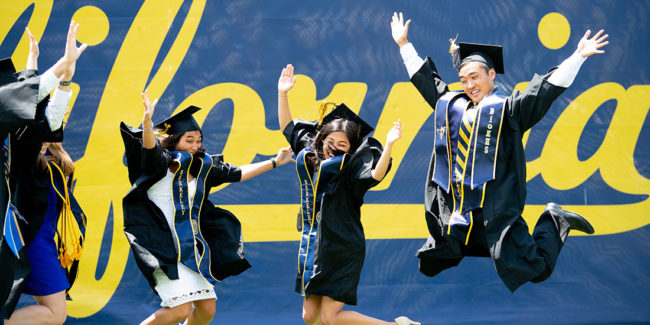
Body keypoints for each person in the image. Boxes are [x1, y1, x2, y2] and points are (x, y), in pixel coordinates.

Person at [390, 12, 607, 291]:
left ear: (491, 75)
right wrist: (404, 45)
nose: (469, 85)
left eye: (475, 77)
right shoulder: (450, 106)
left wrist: (578, 56)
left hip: (495, 212)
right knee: (430, 264)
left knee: (537, 269)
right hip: (458, 214)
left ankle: (554, 219)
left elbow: (545, 90)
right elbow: (426, 81)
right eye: (463, 79)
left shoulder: (509, 110)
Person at [120, 90, 293, 325]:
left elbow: (238, 173)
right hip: (161, 247)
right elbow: (150, 149)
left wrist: (275, 161)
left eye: (198, 140)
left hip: (191, 248)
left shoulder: (202, 167)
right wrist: (148, 123)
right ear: (174, 141)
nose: (194, 145)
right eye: (188, 140)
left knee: (207, 310)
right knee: (179, 310)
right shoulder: (159, 164)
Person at [278, 64, 419, 325]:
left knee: (330, 318)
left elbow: (376, 174)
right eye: (331, 141)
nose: (334, 148)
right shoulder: (311, 155)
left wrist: (388, 144)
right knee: (310, 316)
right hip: (314, 247)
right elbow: (288, 127)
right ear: (321, 138)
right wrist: (283, 94)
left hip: (342, 248)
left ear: (351, 149)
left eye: (342, 145)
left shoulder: (352, 169)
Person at [1, 21, 87, 320]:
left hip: (47, 238)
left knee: (54, 314)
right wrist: (63, 66)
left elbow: (44, 113)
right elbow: (32, 105)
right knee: (55, 314)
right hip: (29, 236)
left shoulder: (48, 153)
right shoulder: (20, 148)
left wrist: (62, 80)